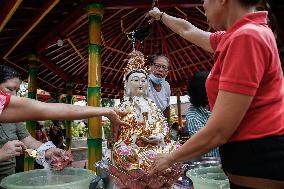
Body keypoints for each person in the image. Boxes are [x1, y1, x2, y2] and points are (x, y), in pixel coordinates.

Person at [148, 0, 284, 188]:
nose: (203, 4)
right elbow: (186, 30)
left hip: (259, 166)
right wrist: (161, 16)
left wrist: (170, 158)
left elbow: (219, 130)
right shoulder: (236, 36)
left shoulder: (247, 37)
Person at [0, 65, 129, 175]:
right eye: (9, 89)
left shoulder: (12, 118)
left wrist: (49, 152)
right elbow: (47, 110)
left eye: (16, 91)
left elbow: (30, 144)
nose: (15, 97)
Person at [109, 50, 182, 188]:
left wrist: (161, 136)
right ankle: (149, 173)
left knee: (176, 148)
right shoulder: (125, 107)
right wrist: (139, 137)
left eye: (164, 67)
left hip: (156, 145)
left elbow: (163, 121)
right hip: (136, 149)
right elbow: (120, 135)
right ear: (128, 85)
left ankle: (156, 171)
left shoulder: (156, 99)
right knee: (123, 152)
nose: (141, 84)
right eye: (135, 81)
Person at [185, 71, 219, 157]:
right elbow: (201, 144)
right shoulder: (193, 115)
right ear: (203, 91)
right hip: (210, 162)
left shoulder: (215, 106)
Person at [148, 54, 171, 120]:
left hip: (160, 125)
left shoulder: (166, 86)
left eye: (164, 67)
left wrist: (167, 128)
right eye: (157, 66)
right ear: (150, 67)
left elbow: (167, 108)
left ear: (167, 72)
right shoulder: (143, 82)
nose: (160, 69)